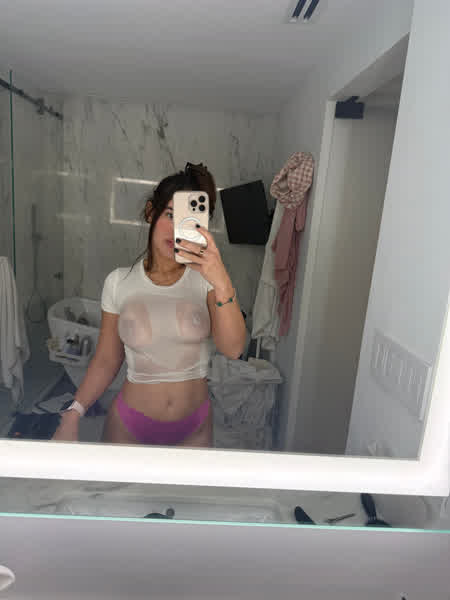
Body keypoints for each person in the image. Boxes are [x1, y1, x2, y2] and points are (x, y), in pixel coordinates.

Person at [53, 163, 246, 447]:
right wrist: (73, 413)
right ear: (150, 212)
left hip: (194, 427)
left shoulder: (208, 282)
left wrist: (222, 281)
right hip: (129, 425)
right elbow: (107, 359)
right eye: (170, 214)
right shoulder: (118, 282)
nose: (176, 228)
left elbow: (233, 349)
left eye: (188, 220)